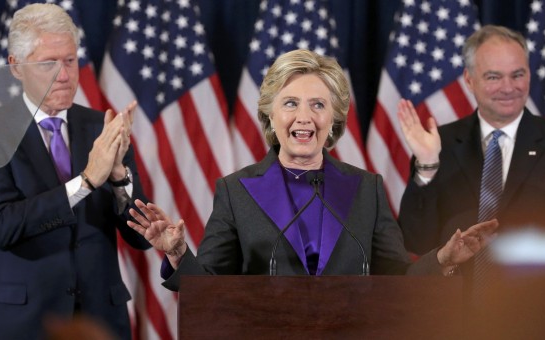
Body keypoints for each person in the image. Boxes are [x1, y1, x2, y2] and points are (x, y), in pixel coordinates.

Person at [126, 49, 498, 291]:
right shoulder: (236, 191)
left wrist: (442, 260)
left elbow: (395, 278)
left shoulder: (365, 187)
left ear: (334, 116)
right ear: (271, 113)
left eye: (317, 104)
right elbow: (206, 288)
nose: (304, 117)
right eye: (290, 103)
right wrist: (177, 253)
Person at [0, 4, 150, 339]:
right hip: (20, 322)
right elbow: (3, 226)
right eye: (48, 63)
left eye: (70, 60)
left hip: (99, 320)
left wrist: (120, 177)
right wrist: (87, 181)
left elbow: (139, 238)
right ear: (16, 67)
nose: (64, 75)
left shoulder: (101, 127)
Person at [396, 25, 545, 256]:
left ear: (529, 75)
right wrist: (427, 166)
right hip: (457, 289)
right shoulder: (440, 144)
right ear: (469, 81)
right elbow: (415, 241)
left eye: (517, 75)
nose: (508, 87)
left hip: (537, 288)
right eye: (494, 77)